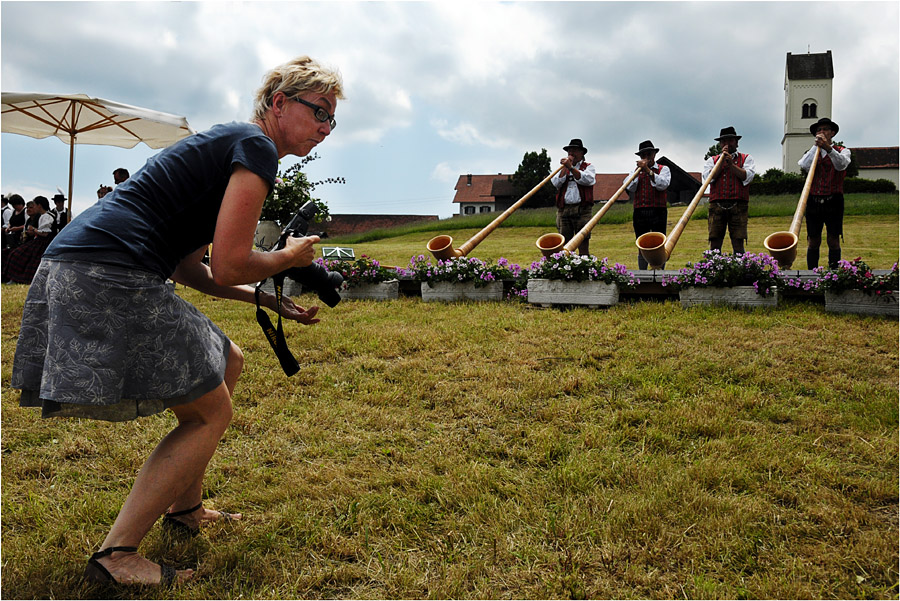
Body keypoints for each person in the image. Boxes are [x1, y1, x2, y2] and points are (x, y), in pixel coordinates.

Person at [10, 55, 343, 586]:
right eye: (319, 111)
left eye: (333, 120)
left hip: (79, 263)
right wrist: (289, 257)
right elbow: (234, 261)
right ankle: (117, 556)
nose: (326, 128)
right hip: (108, 271)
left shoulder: (228, 146)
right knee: (210, 413)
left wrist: (271, 301)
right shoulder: (255, 146)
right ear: (279, 104)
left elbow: (194, 269)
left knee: (225, 359)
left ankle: (185, 509)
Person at [799, 117, 851, 269]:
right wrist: (817, 148)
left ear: (832, 133)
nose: (821, 133)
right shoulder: (813, 151)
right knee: (813, 240)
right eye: (819, 130)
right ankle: (811, 274)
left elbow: (841, 165)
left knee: (833, 239)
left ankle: (833, 273)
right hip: (814, 201)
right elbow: (803, 165)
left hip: (834, 200)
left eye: (825, 130)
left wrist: (828, 148)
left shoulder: (842, 151)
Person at [702, 126, 756, 254]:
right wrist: (721, 161)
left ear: (736, 143)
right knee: (715, 241)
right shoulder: (712, 160)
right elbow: (709, 178)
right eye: (724, 141)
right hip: (717, 205)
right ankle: (714, 269)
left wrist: (731, 165)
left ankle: (740, 270)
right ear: (720, 144)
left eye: (730, 140)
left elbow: (747, 176)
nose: (727, 144)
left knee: (738, 242)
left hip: (739, 205)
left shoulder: (747, 158)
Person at [626, 140, 671, 269]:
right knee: (641, 244)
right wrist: (638, 172)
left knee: (659, 243)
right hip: (640, 211)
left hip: (658, 211)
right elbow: (630, 187)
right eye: (643, 155)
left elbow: (663, 185)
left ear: (654, 154)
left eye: (648, 154)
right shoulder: (635, 171)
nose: (645, 157)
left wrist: (648, 171)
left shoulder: (664, 169)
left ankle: (659, 272)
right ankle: (642, 273)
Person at [551, 138, 596, 256]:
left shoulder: (589, 167)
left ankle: (584, 268)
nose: (571, 153)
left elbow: (588, 180)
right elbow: (556, 183)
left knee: (583, 242)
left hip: (582, 210)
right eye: (569, 151)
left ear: (582, 153)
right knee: (565, 244)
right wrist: (565, 168)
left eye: (575, 150)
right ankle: (567, 270)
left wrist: (571, 168)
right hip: (564, 210)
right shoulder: (562, 168)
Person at [3, 196, 55, 284]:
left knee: (19, 254)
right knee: (15, 253)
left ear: (39, 206)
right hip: (38, 241)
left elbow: (45, 234)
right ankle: (12, 278)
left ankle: (17, 279)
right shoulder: (42, 216)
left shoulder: (47, 216)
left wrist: (34, 230)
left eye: (34, 205)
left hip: (43, 243)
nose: (32, 208)